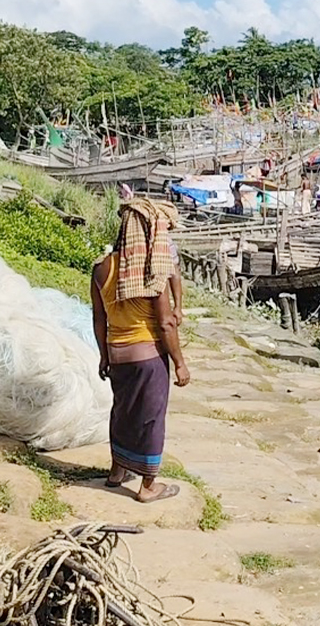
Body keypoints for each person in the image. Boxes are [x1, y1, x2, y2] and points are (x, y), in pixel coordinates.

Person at [90, 198, 191, 503]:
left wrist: (104, 355)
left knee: (122, 412)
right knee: (150, 418)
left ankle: (117, 470)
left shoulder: (101, 268)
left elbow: (99, 317)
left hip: (117, 353)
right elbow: (165, 325)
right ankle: (148, 485)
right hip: (147, 357)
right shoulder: (151, 271)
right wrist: (180, 363)